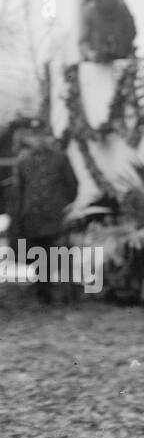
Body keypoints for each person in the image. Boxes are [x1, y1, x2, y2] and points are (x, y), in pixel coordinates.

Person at [6, 118, 80, 304]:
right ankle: (43, 293)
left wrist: (64, 205)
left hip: (55, 216)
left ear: (48, 137)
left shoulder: (60, 158)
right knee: (40, 255)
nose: (39, 140)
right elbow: (19, 190)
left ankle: (66, 295)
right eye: (34, 136)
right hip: (33, 216)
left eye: (43, 135)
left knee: (61, 254)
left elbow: (72, 185)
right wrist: (20, 215)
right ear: (29, 139)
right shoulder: (23, 161)